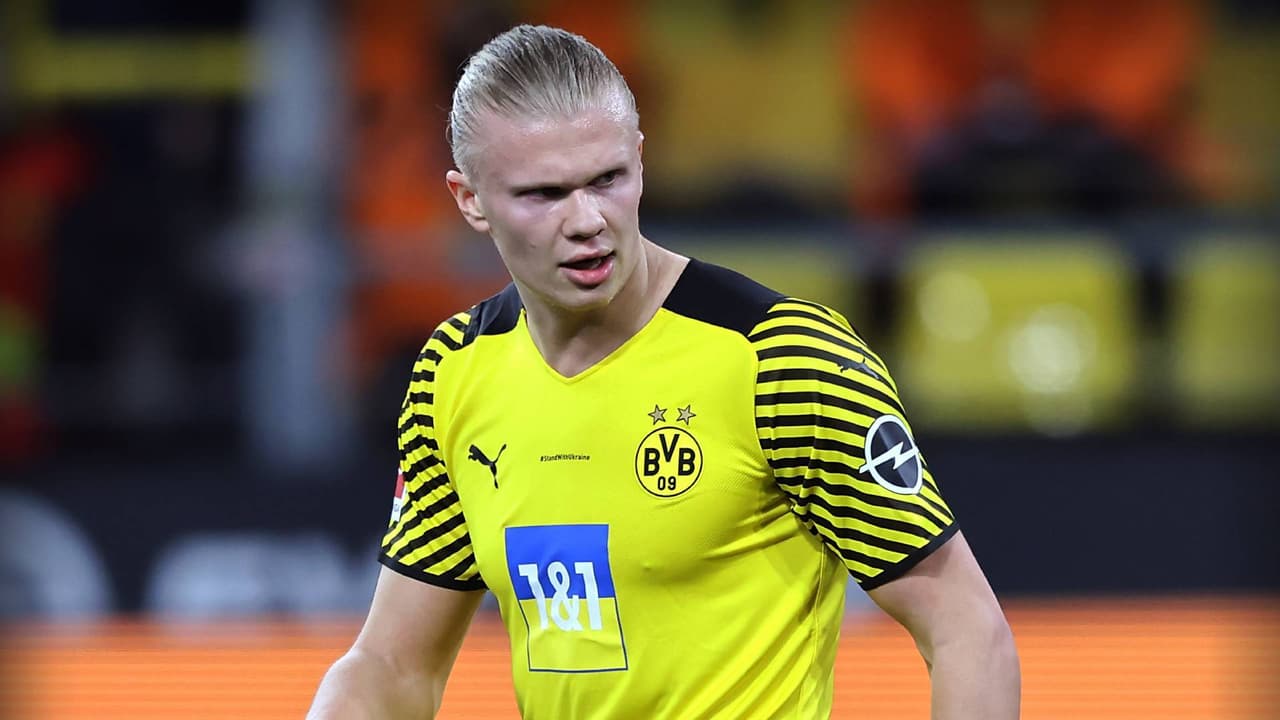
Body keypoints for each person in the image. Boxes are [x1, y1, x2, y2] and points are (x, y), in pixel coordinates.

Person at [308, 25, 1019, 719]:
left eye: (608, 179)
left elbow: (968, 631)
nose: (587, 220)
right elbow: (392, 666)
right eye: (544, 194)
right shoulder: (455, 371)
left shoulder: (780, 360)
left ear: (641, 160)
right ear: (470, 200)